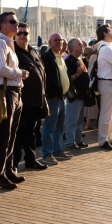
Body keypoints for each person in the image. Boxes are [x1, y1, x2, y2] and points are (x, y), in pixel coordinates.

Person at [0, 11, 28, 189]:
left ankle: (8, 169)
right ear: (3, 24)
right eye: (13, 22)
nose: (16, 24)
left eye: (17, 22)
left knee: (12, 134)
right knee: (4, 135)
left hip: (14, 91)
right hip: (5, 92)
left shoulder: (9, 44)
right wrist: (20, 73)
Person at [13, 23, 48, 170]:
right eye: (19, 33)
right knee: (18, 133)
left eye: (25, 33)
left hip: (36, 100)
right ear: (15, 35)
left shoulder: (33, 51)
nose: (22, 36)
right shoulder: (13, 52)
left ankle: (31, 159)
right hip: (22, 100)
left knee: (32, 132)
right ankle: (13, 165)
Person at [41, 33, 73, 164]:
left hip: (61, 98)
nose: (59, 42)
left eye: (60, 40)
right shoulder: (46, 57)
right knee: (49, 128)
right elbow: (44, 78)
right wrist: (50, 94)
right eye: (56, 40)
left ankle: (57, 151)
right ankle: (47, 154)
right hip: (53, 99)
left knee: (59, 127)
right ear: (49, 43)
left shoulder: (60, 56)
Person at [64, 37, 90, 149]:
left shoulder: (81, 60)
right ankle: (70, 142)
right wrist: (78, 74)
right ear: (73, 48)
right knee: (72, 120)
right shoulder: (68, 61)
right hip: (73, 96)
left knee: (79, 121)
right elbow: (67, 79)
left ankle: (78, 140)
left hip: (82, 95)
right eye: (79, 44)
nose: (82, 46)